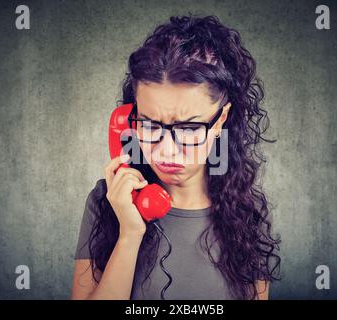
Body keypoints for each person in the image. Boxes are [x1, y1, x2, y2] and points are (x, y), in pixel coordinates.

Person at [71, 14, 280, 300]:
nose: (166, 150)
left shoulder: (249, 212)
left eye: (190, 128)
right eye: (150, 125)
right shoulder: (106, 201)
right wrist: (130, 234)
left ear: (220, 120)